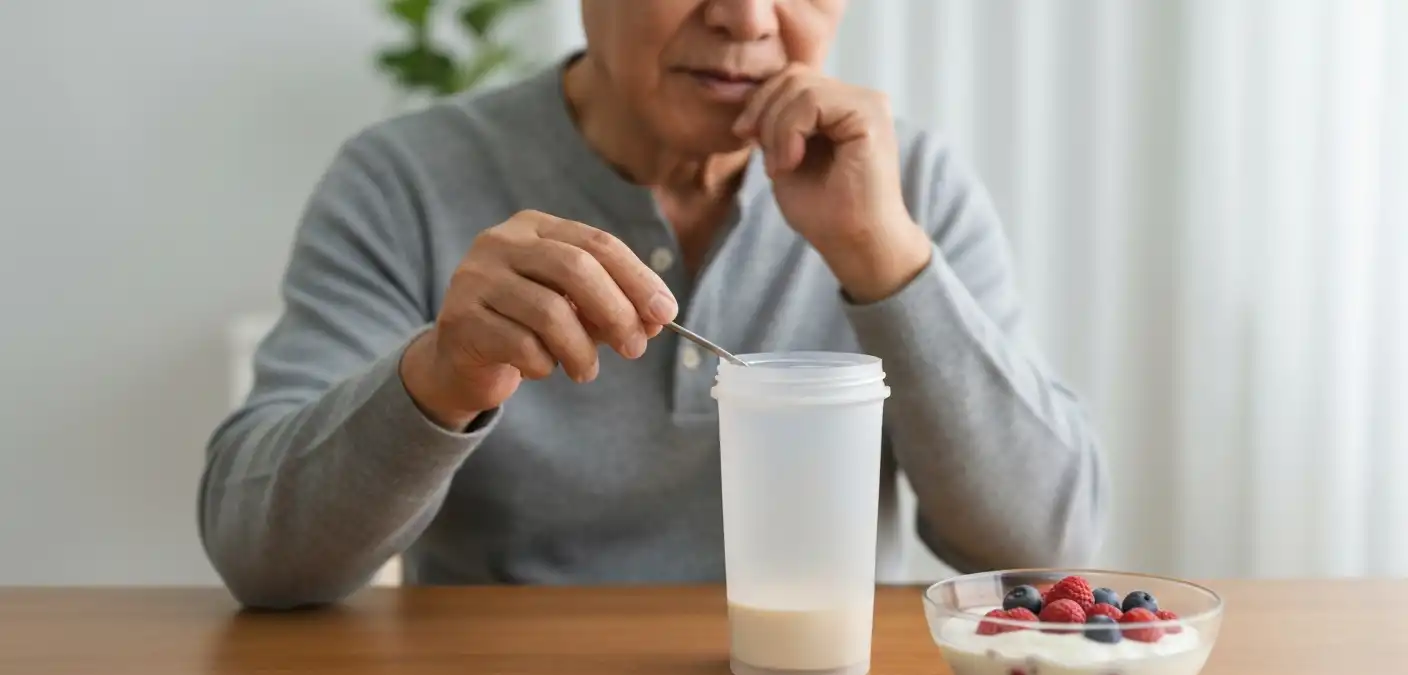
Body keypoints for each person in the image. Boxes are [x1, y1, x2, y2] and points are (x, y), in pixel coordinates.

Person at [200, 0, 1107, 609]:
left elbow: (1042, 544)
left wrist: (880, 255)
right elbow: (262, 558)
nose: (748, 19)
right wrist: (439, 377)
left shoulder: (906, 187)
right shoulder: (404, 180)